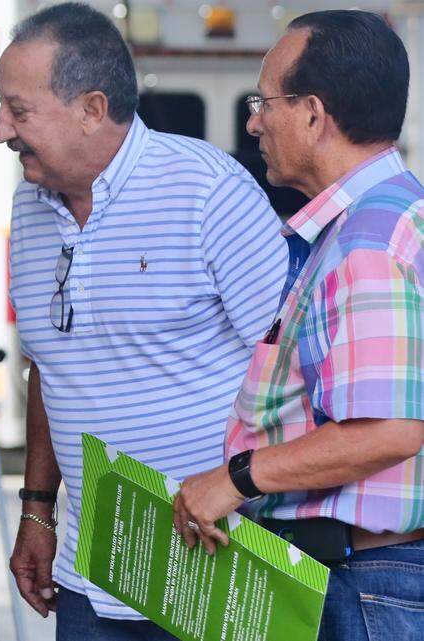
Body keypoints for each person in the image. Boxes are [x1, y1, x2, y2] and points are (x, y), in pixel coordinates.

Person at [0, 4, 287, 639]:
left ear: (92, 110)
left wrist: (243, 489)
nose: (0, 130)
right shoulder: (30, 203)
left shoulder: (209, 192)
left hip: (217, 573)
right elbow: (52, 368)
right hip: (91, 579)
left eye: (18, 111)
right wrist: (37, 510)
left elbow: (292, 372)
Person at [173, 11, 424, 639]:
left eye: (266, 101)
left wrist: (235, 480)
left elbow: (389, 430)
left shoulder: (368, 242)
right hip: (362, 576)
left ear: (313, 114)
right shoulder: (380, 218)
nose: (254, 120)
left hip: (365, 580)